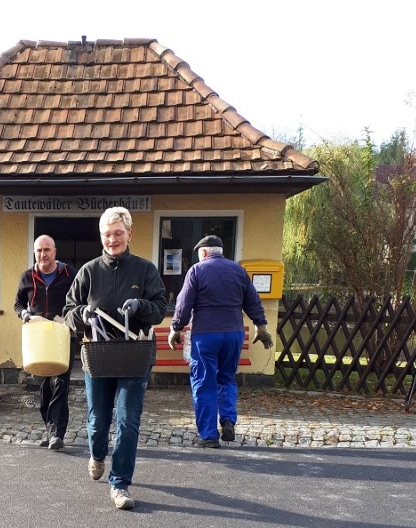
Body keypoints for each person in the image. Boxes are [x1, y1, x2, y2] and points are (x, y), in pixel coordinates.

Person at [63, 207, 166, 511]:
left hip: (135, 356)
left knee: (128, 421)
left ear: (129, 234)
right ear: (101, 236)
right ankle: (96, 454)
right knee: (98, 420)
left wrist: (141, 305)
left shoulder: (146, 270)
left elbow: (160, 308)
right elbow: (69, 311)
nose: (112, 239)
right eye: (107, 234)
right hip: (98, 356)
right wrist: (82, 313)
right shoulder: (89, 271)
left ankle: (119, 483)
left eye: (118, 233)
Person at [168, 235, 273, 448]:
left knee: (204, 382)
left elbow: (184, 303)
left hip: (205, 335)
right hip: (234, 334)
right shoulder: (238, 271)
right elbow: (253, 301)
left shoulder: (197, 271)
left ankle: (209, 436)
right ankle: (227, 420)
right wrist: (260, 326)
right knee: (226, 378)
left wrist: (176, 329)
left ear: (204, 252)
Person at [14, 235, 75, 451]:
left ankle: (56, 433)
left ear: (55, 252)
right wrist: (24, 315)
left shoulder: (69, 274)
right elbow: (18, 304)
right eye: (39, 250)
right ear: (34, 252)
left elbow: (80, 300)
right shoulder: (27, 277)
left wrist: (68, 317)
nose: (43, 254)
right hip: (39, 337)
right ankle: (50, 430)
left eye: (47, 250)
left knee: (60, 383)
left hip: (62, 336)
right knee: (44, 387)